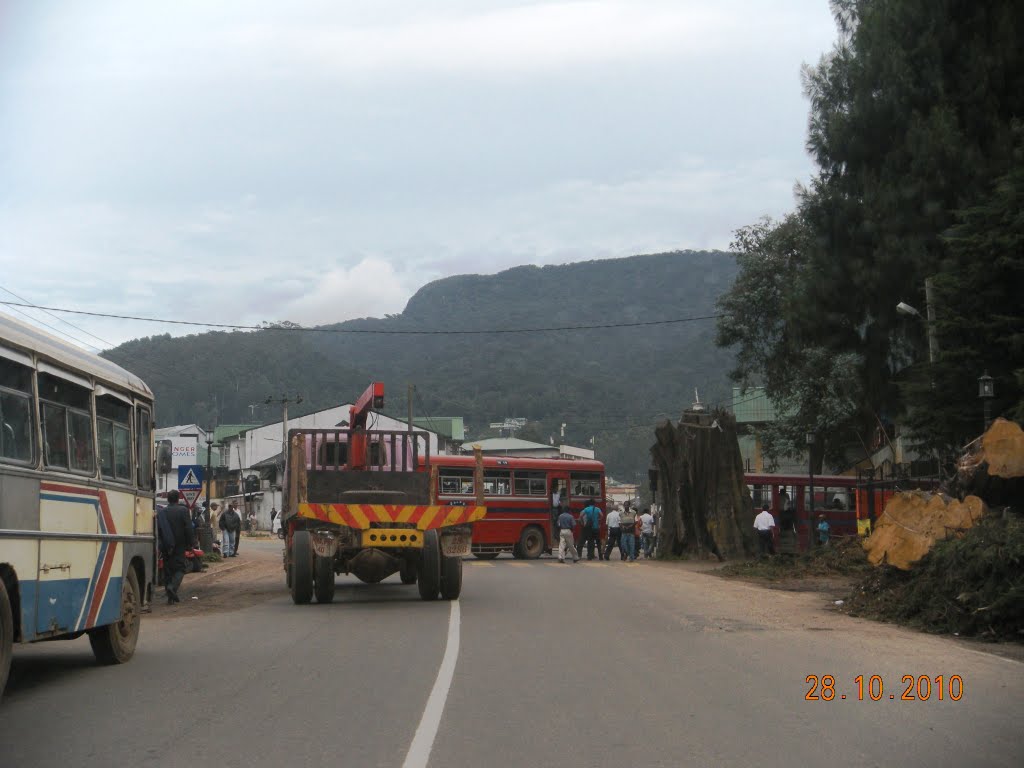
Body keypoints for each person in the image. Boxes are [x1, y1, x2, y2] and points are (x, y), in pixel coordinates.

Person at [161, 490, 196, 603]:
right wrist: (191, 543)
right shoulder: (183, 510)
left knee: (168, 570)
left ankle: (170, 597)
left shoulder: (163, 511)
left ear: (168, 499)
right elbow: (188, 528)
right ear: (178, 499)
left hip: (166, 544)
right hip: (180, 544)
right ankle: (172, 588)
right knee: (180, 568)